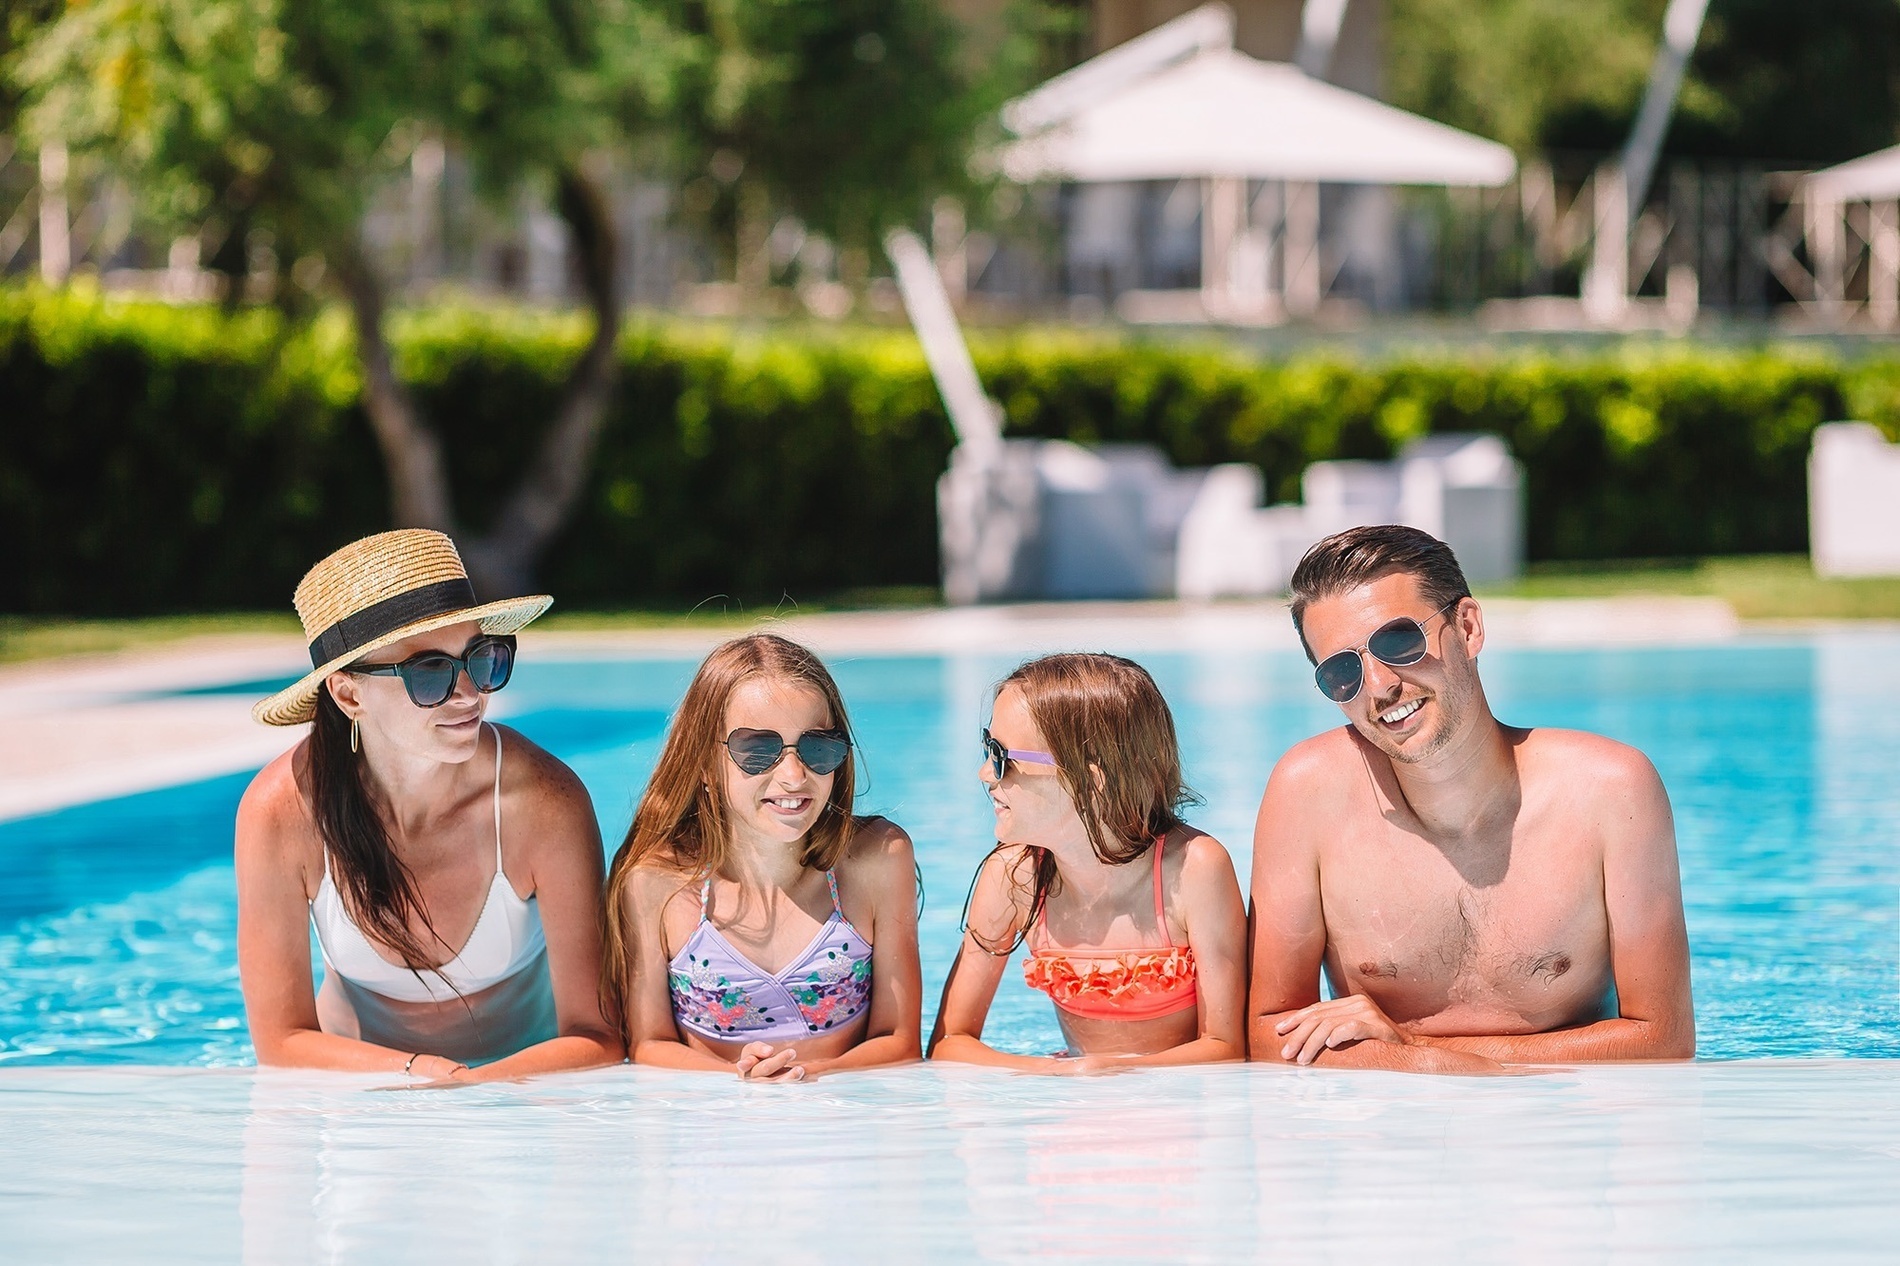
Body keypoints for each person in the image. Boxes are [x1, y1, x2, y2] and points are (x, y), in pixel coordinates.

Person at [1248, 525, 1695, 1072]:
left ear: (1468, 626)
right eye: (1342, 671)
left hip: (1561, 1128)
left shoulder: (1610, 791)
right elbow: (1269, 1032)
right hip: (1387, 1136)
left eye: (1398, 642)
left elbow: (1663, 1039)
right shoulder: (1308, 793)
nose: (1379, 685)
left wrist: (1419, 1054)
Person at [235, 529, 622, 1081]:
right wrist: (422, 1077)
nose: (470, 693)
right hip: (361, 1099)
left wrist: (470, 1089)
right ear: (349, 696)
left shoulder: (540, 802)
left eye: (481, 659)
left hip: (523, 1093)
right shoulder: (283, 813)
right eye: (430, 671)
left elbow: (599, 1035)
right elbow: (281, 1040)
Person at [606, 633, 921, 1081]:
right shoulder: (659, 880)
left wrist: (805, 1075)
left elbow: (901, 1041)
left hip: (842, 1115)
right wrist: (742, 1083)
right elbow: (648, 1044)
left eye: (817, 747)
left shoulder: (876, 859)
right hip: (714, 1123)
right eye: (758, 750)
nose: (794, 775)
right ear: (703, 764)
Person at [930, 653, 1248, 1072]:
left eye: (1003, 757)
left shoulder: (1193, 870)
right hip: (1074, 1095)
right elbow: (950, 1043)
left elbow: (1226, 1047)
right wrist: (1061, 1074)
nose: (985, 774)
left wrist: (1114, 1074)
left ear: (1090, 781)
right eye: (988, 748)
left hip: (1177, 1102)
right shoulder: (1014, 876)